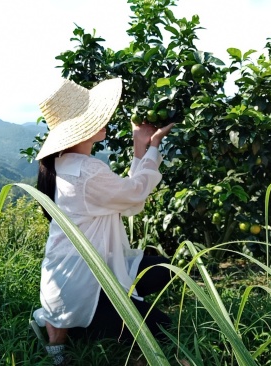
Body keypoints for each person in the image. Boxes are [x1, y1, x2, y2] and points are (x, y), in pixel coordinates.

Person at [32, 77, 174, 365]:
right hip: (86, 285)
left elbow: (127, 199)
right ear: (81, 128)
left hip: (70, 278)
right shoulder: (86, 171)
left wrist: (140, 146)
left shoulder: (61, 165)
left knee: (161, 270)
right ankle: (73, 329)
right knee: (163, 330)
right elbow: (135, 196)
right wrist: (152, 147)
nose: (105, 117)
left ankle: (65, 323)